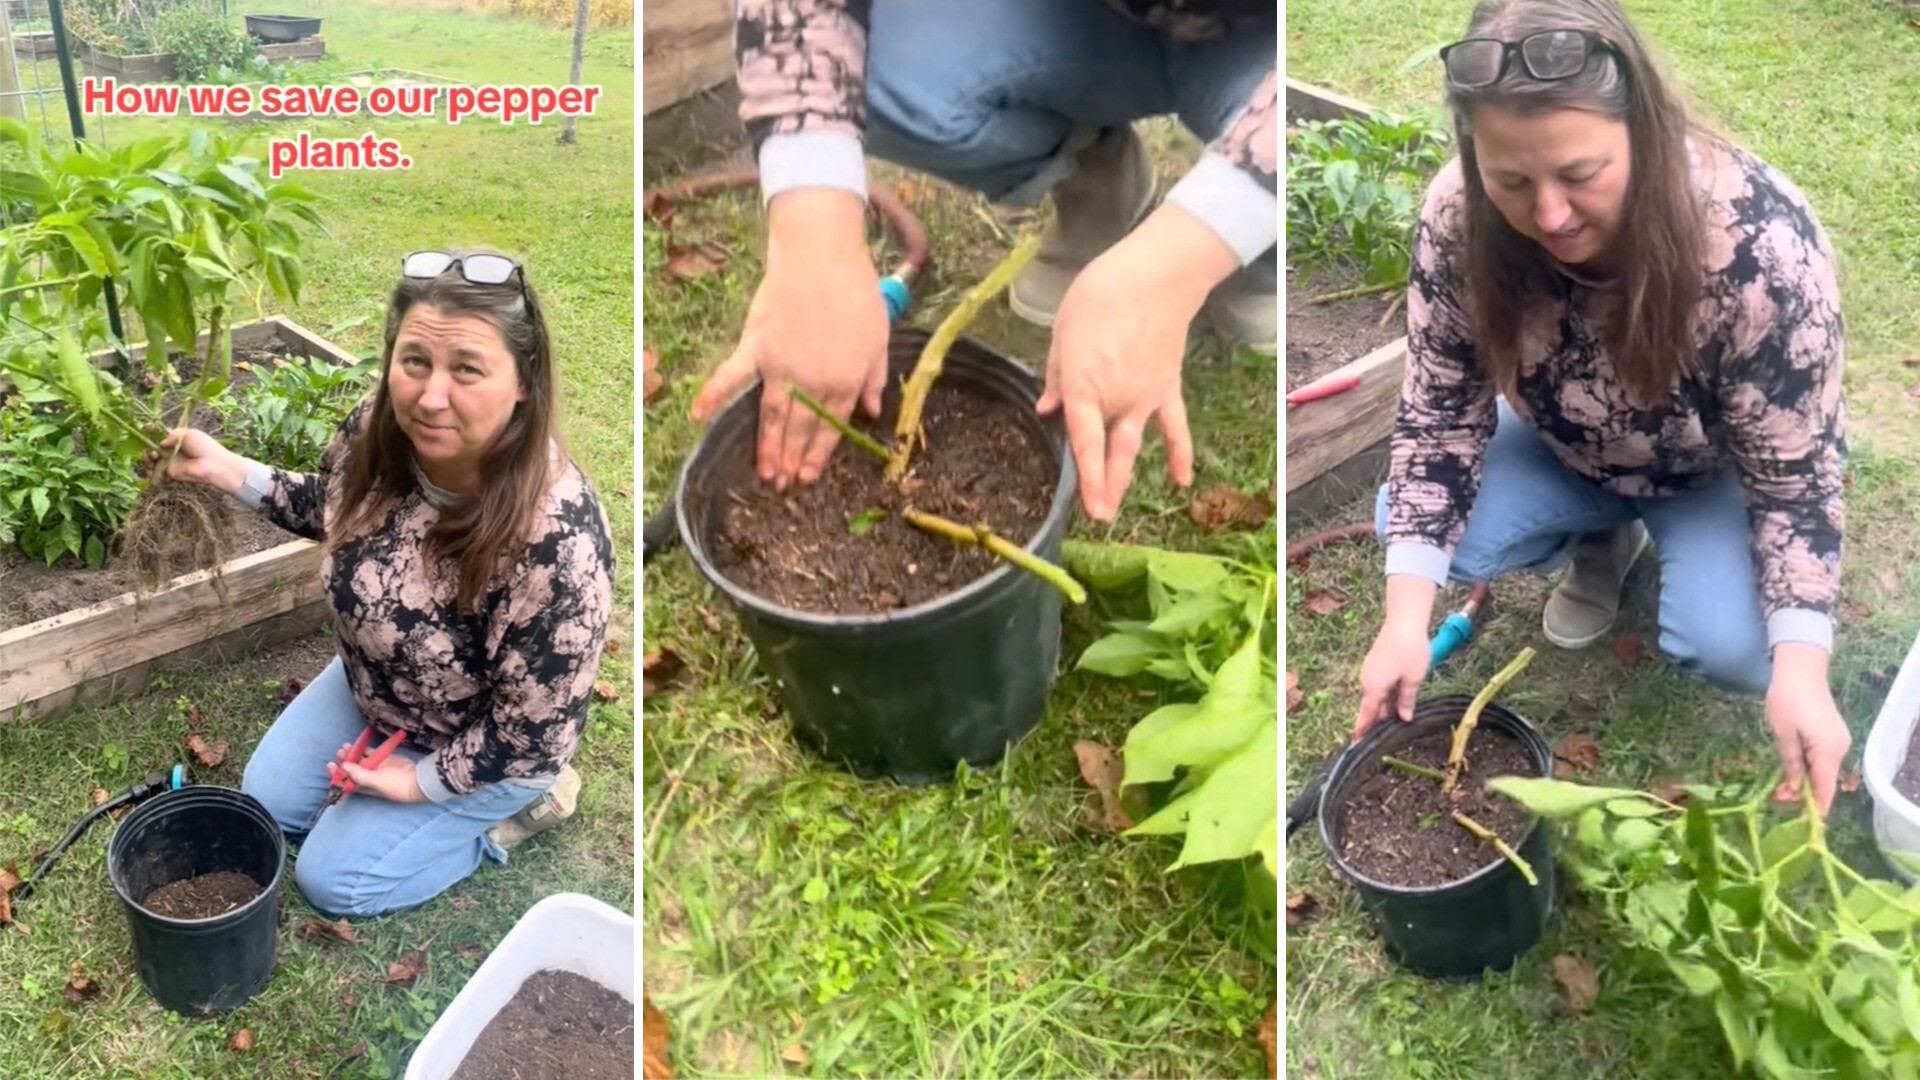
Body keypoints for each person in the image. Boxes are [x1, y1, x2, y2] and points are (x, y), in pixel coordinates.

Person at [1353, 0, 1850, 812]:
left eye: (1580, 175)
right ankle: (1604, 539)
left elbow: (1798, 480)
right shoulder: (1458, 216)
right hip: (1565, 449)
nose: (1549, 214)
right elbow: (1438, 411)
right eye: (1512, 181)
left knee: (1736, 648)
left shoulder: (1761, 248)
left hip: (1712, 474)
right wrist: (1404, 624)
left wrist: (1803, 671)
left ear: (1644, 131)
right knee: (1408, 532)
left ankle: (1670, 539)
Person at [148, 250, 616, 917]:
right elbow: (336, 507)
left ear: (524, 383)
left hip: (489, 742)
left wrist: (421, 782)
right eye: (415, 361)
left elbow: (531, 733)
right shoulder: (383, 429)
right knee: (267, 804)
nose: (431, 397)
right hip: (382, 685)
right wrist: (225, 469)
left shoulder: (557, 541)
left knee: (335, 883)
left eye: (467, 369)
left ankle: (508, 821)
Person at [690, 0, 1277, 522]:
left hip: (1266, 44)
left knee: (1274, 165)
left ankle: (1258, 243)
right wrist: (813, 236)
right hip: (1091, 22)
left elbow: (1326, 77)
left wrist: (1185, 256)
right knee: (888, 72)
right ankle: (1094, 167)